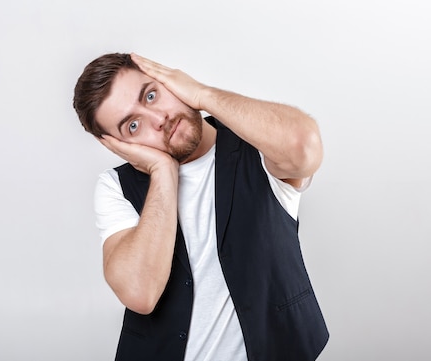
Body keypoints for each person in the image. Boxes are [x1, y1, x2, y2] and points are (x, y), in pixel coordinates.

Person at [73, 53, 329, 361]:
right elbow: (140, 293)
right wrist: (163, 172)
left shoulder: (256, 142)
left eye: (151, 95)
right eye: (133, 125)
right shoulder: (115, 186)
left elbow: (305, 148)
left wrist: (202, 94)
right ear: (118, 145)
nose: (159, 119)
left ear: (169, 80)